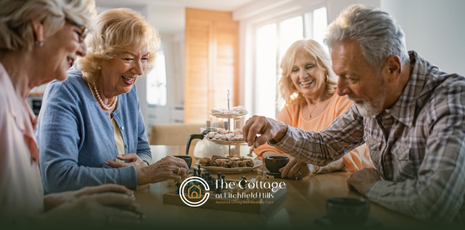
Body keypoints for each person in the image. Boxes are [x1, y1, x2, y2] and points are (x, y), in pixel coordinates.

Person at [243, 4, 465, 224]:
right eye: (339, 75)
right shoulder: (371, 101)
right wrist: (279, 130)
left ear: (392, 69)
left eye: (351, 77)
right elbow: (325, 146)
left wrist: (372, 186)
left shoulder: (451, 102)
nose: (340, 90)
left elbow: (435, 203)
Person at [0, 0, 142, 227]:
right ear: (40, 28)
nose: (84, 50)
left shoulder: (15, 100)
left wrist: (55, 203)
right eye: (78, 33)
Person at [36, 8, 188, 194]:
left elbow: (142, 148)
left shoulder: (126, 91)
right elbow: (57, 178)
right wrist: (141, 175)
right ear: (101, 57)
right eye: (129, 58)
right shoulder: (64, 90)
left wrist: (144, 165)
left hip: (124, 203)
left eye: (144, 58)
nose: (140, 70)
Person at [254, 39, 373, 179]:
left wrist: (314, 164)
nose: (303, 75)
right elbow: (269, 147)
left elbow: (351, 153)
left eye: (309, 66)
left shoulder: (344, 100)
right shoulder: (291, 109)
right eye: (295, 69)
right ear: (289, 76)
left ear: (324, 68)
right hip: (305, 185)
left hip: (347, 183)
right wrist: (278, 161)